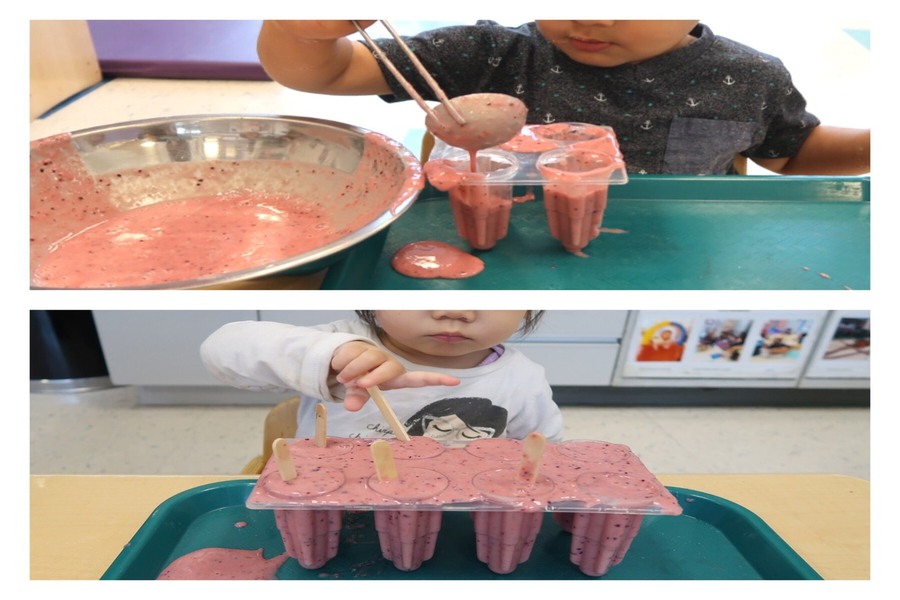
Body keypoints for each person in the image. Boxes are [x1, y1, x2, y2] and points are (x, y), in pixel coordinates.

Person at [256, 20, 869, 175]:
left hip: (671, 253)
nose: (587, 16)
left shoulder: (750, 76)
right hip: (504, 241)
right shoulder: (493, 54)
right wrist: (299, 29)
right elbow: (329, 75)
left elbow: (792, 154)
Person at [200, 310, 563, 442]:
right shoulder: (337, 342)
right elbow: (222, 349)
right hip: (332, 508)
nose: (454, 311)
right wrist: (328, 360)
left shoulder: (523, 379)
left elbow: (546, 451)